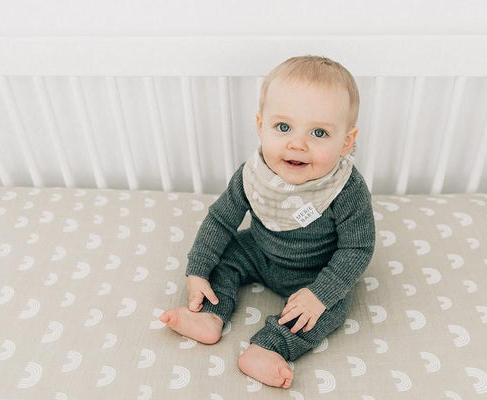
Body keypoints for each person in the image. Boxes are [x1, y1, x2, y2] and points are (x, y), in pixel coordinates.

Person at [159, 55, 375, 389]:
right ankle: (209, 316)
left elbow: (357, 248)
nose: (297, 143)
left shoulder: (345, 188)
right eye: (283, 127)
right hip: (259, 251)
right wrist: (198, 269)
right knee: (227, 255)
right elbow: (220, 221)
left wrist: (321, 293)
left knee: (332, 308)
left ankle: (269, 347)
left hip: (317, 271)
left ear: (346, 141)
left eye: (319, 132)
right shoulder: (253, 175)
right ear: (261, 126)